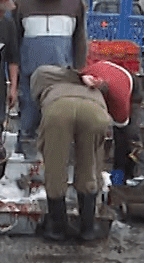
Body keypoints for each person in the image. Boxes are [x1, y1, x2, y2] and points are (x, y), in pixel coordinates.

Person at [29, 65, 115, 242]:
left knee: (55, 168)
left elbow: (36, 105)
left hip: (58, 110)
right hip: (94, 111)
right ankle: (88, 229)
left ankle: (57, 229)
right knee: (89, 165)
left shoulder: (44, 76)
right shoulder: (93, 82)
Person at [13, 0, 88, 155]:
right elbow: (15, 38)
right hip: (30, 71)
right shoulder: (22, 3)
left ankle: (56, 153)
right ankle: (25, 150)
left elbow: (79, 38)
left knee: (58, 116)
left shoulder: (74, 2)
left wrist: (79, 68)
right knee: (28, 114)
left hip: (62, 73)